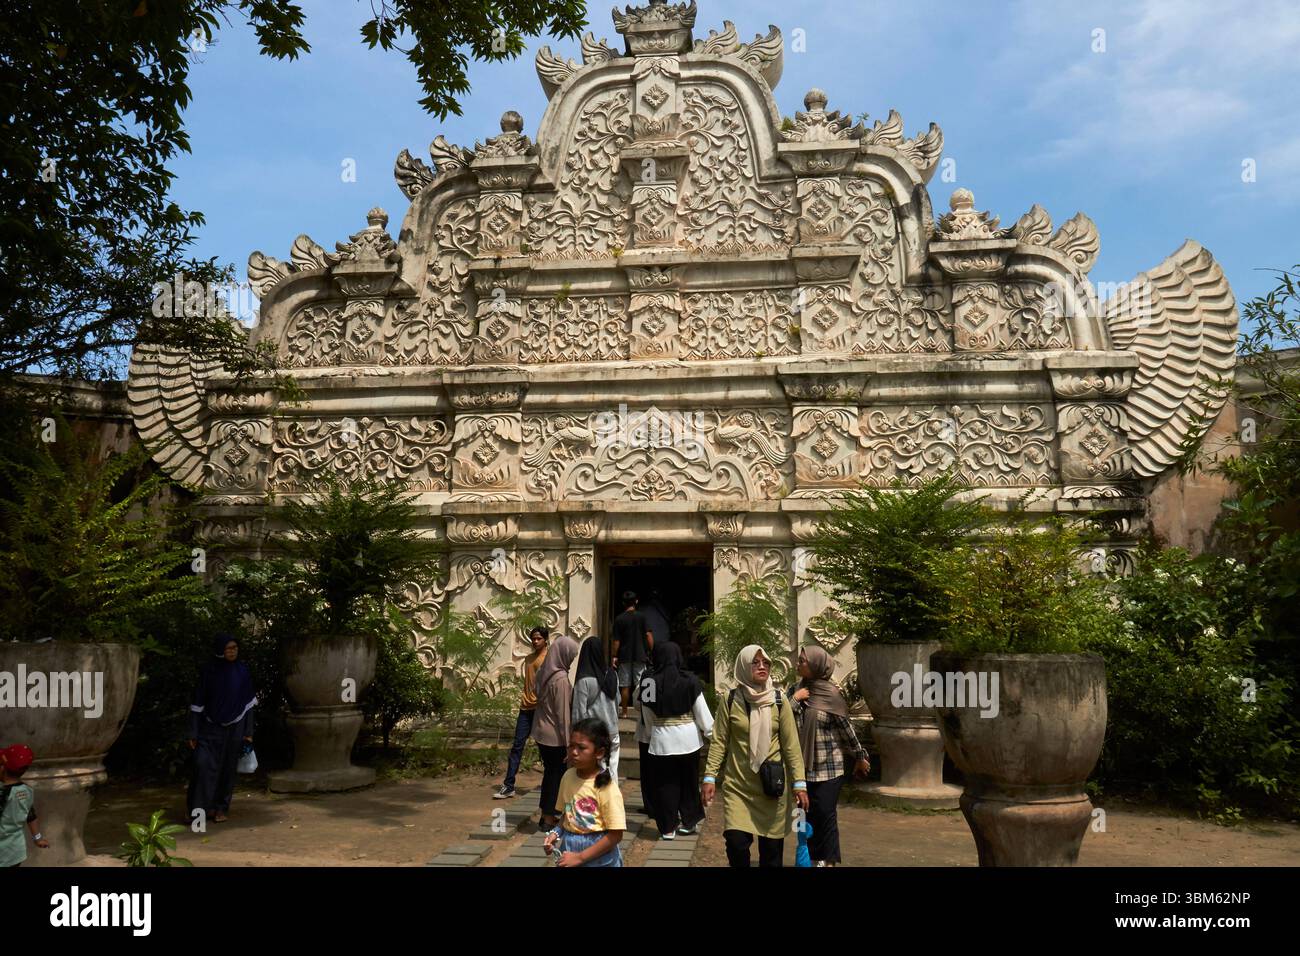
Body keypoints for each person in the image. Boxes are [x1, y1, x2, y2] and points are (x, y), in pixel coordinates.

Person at [701, 645, 808, 868]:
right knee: (736, 845)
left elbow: (791, 746)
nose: (762, 667)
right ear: (743, 667)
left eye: (766, 663)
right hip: (738, 787)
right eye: (756, 662)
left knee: (771, 855)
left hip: (772, 790)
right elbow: (719, 741)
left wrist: (799, 783)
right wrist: (709, 776)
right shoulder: (730, 700)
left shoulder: (779, 700)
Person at [789, 645, 870, 866]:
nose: (798, 663)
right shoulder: (795, 690)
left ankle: (830, 859)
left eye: (803, 661)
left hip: (829, 767)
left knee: (826, 813)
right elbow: (782, 720)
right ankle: (811, 857)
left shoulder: (832, 694)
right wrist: (795, 700)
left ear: (816, 665)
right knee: (804, 815)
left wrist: (860, 756)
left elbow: (846, 730)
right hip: (801, 768)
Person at [638, 642, 712, 840]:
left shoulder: (649, 681)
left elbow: (647, 715)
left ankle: (667, 827)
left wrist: (658, 729)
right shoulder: (690, 680)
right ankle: (689, 822)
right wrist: (712, 734)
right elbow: (701, 712)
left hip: (662, 740)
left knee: (664, 784)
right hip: (689, 740)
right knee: (688, 782)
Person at [188, 633, 256, 824]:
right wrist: (193, 731)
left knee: (227, 770)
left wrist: (248, 733)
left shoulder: (242, 671)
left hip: (236, 728)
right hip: (209, 727)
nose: (232, 651)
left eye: (235, 648)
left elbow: (249, 704)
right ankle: (198, 811)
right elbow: (198, 703)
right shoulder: (209, 671)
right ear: (220, 650)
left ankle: (220, 808)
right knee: (203, 767)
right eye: (228, 648)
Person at [543, 717, 625, 867]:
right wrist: (555, 833)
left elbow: (616, 835)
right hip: (569, 849)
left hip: (600, 856)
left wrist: (580, 858)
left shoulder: (606, 787)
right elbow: (568, 812)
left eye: (581, 748)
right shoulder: (568, 777)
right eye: (571, 746)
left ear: (599, 753)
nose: (574, 752)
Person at [495, 626, 549, 799]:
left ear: (545, 639)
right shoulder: (528, 658)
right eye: (533, 638)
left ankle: (549, 783)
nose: (535, 641)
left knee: (545, 748)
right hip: (525, 707)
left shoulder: (549, 658)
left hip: (541, 708)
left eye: (539, 638)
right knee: (517, 746)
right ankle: (508, 785)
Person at [532, 634, 578, 830]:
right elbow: (563, 717)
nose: (571, 659)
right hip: (555, 738)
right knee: (555, 776)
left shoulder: (544, 672)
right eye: (571, 655)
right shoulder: (560, 680)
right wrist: (570, 744)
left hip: (542, 733)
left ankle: (547, 815)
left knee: (550, 774)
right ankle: (548, 818)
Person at [571, 635, 620, 781]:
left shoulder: (584, 680)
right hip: (612, 730)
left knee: (595, 773)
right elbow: (616, 702)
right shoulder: (612, 674)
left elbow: (578, 713)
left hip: (593, 733)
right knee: (612, 768)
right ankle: (612, 798)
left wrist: (575, 738)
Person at [0, 745, 49, 867]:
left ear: (2, 768)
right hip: (16, 852)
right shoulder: (27, 791)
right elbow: (30, 815)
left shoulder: (2, 793)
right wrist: (38, 838)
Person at [611, 590, 653, 719]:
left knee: (625, 685)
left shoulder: (619, 619)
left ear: (623, 603)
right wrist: (651, 651)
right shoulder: (642, 617)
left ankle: (624, 712)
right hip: (640, 655)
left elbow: (616, 641)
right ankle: (644, 712)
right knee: (642, 684)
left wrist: (614, 655)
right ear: (636, 601)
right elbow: (648, 635)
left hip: (624, 656)